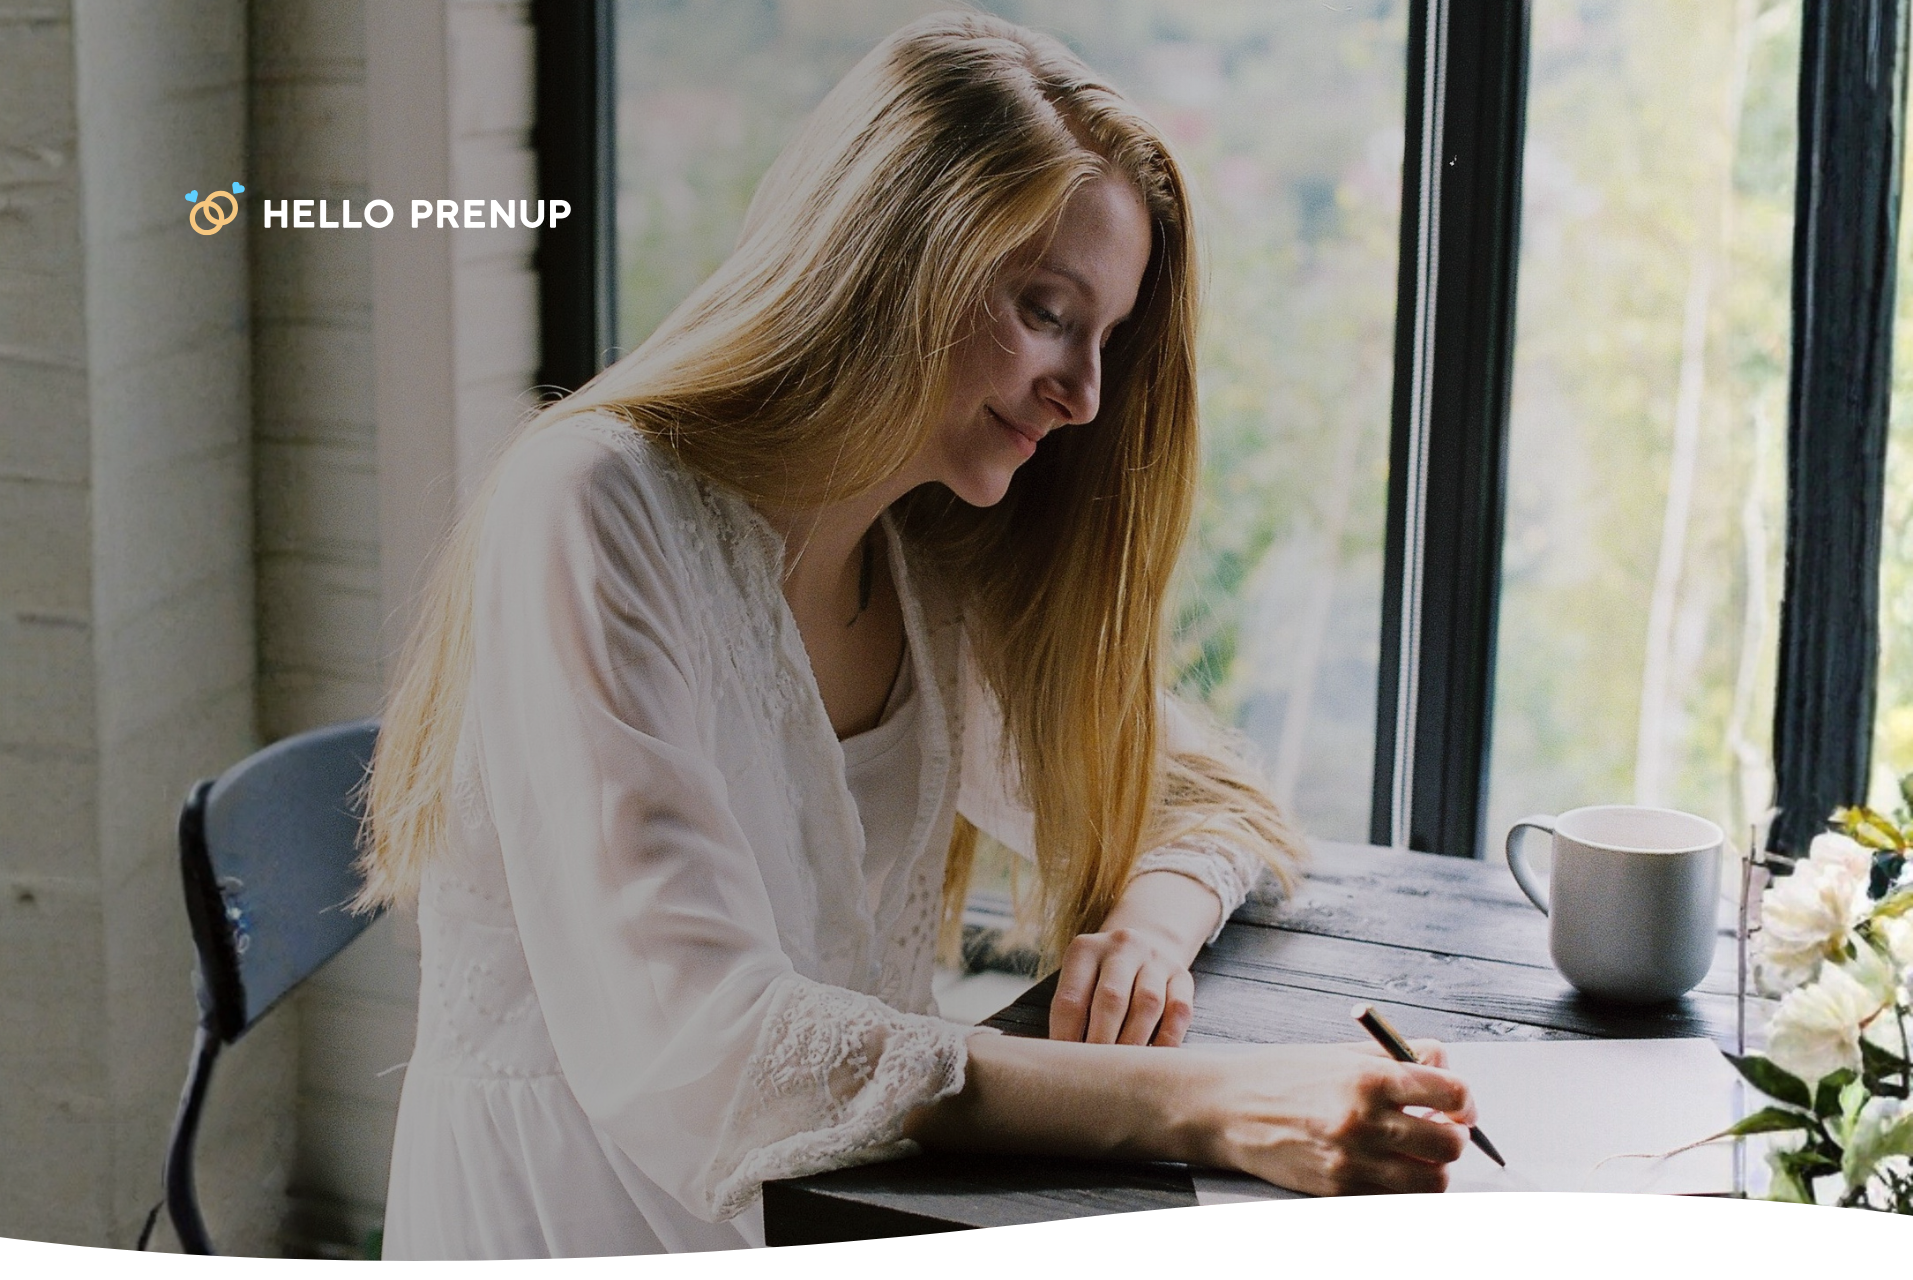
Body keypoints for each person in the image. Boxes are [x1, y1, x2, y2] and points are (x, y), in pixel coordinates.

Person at [363, 11, 1477, 1259]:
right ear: (890, 261)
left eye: (1105, 337)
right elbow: (707, 1049)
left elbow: (1212, 799)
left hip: (850, 1214)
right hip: (580, 1222)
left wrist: (1149, 929)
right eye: (1048, 311)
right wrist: (1215, 1105)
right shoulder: (595, 505)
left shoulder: (924, 553)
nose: (1087, 394)